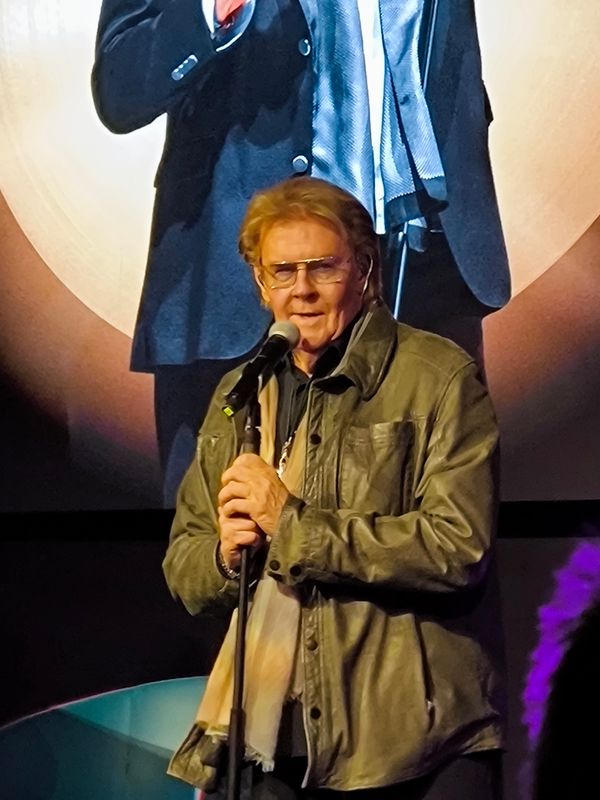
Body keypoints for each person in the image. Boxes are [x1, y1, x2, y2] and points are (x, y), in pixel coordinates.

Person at [162, 176, 506, 799]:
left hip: (415, 746)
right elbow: (185, 563)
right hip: (270, 743)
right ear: (261, 284)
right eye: (282, 271)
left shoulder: (438, 377)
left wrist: (290, 524)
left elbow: (458, 547)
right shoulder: (239, 395)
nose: (302, 290)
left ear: (365, 270)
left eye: (322, 267)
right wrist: (226, 557)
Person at [91, 0, 511, 507]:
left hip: (423, 260)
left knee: (444, 537)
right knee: (223, 545)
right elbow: (120, 86)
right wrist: (213, 11)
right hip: (241, 288)